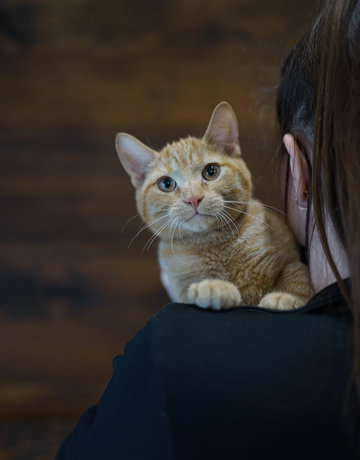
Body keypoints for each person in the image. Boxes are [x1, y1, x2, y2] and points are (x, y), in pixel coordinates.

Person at [57, 0, 360, 458]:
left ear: (297, 170)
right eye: (164, 184)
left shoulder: (169, 358)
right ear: (138, 183)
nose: (193, 195)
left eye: (210, 172)